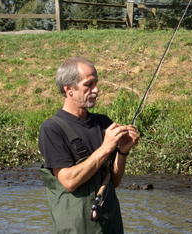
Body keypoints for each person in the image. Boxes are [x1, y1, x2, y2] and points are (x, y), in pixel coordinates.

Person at [38, 56, 139, 234]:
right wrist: (105, 149)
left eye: (96, 83)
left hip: (110, 225)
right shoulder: (52, 128)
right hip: (76, 228)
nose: (96, 90)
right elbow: (69, 181)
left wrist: (122, 152)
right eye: (89, 84)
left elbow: (114, 181)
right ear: (68, 89)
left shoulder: (103, 122)